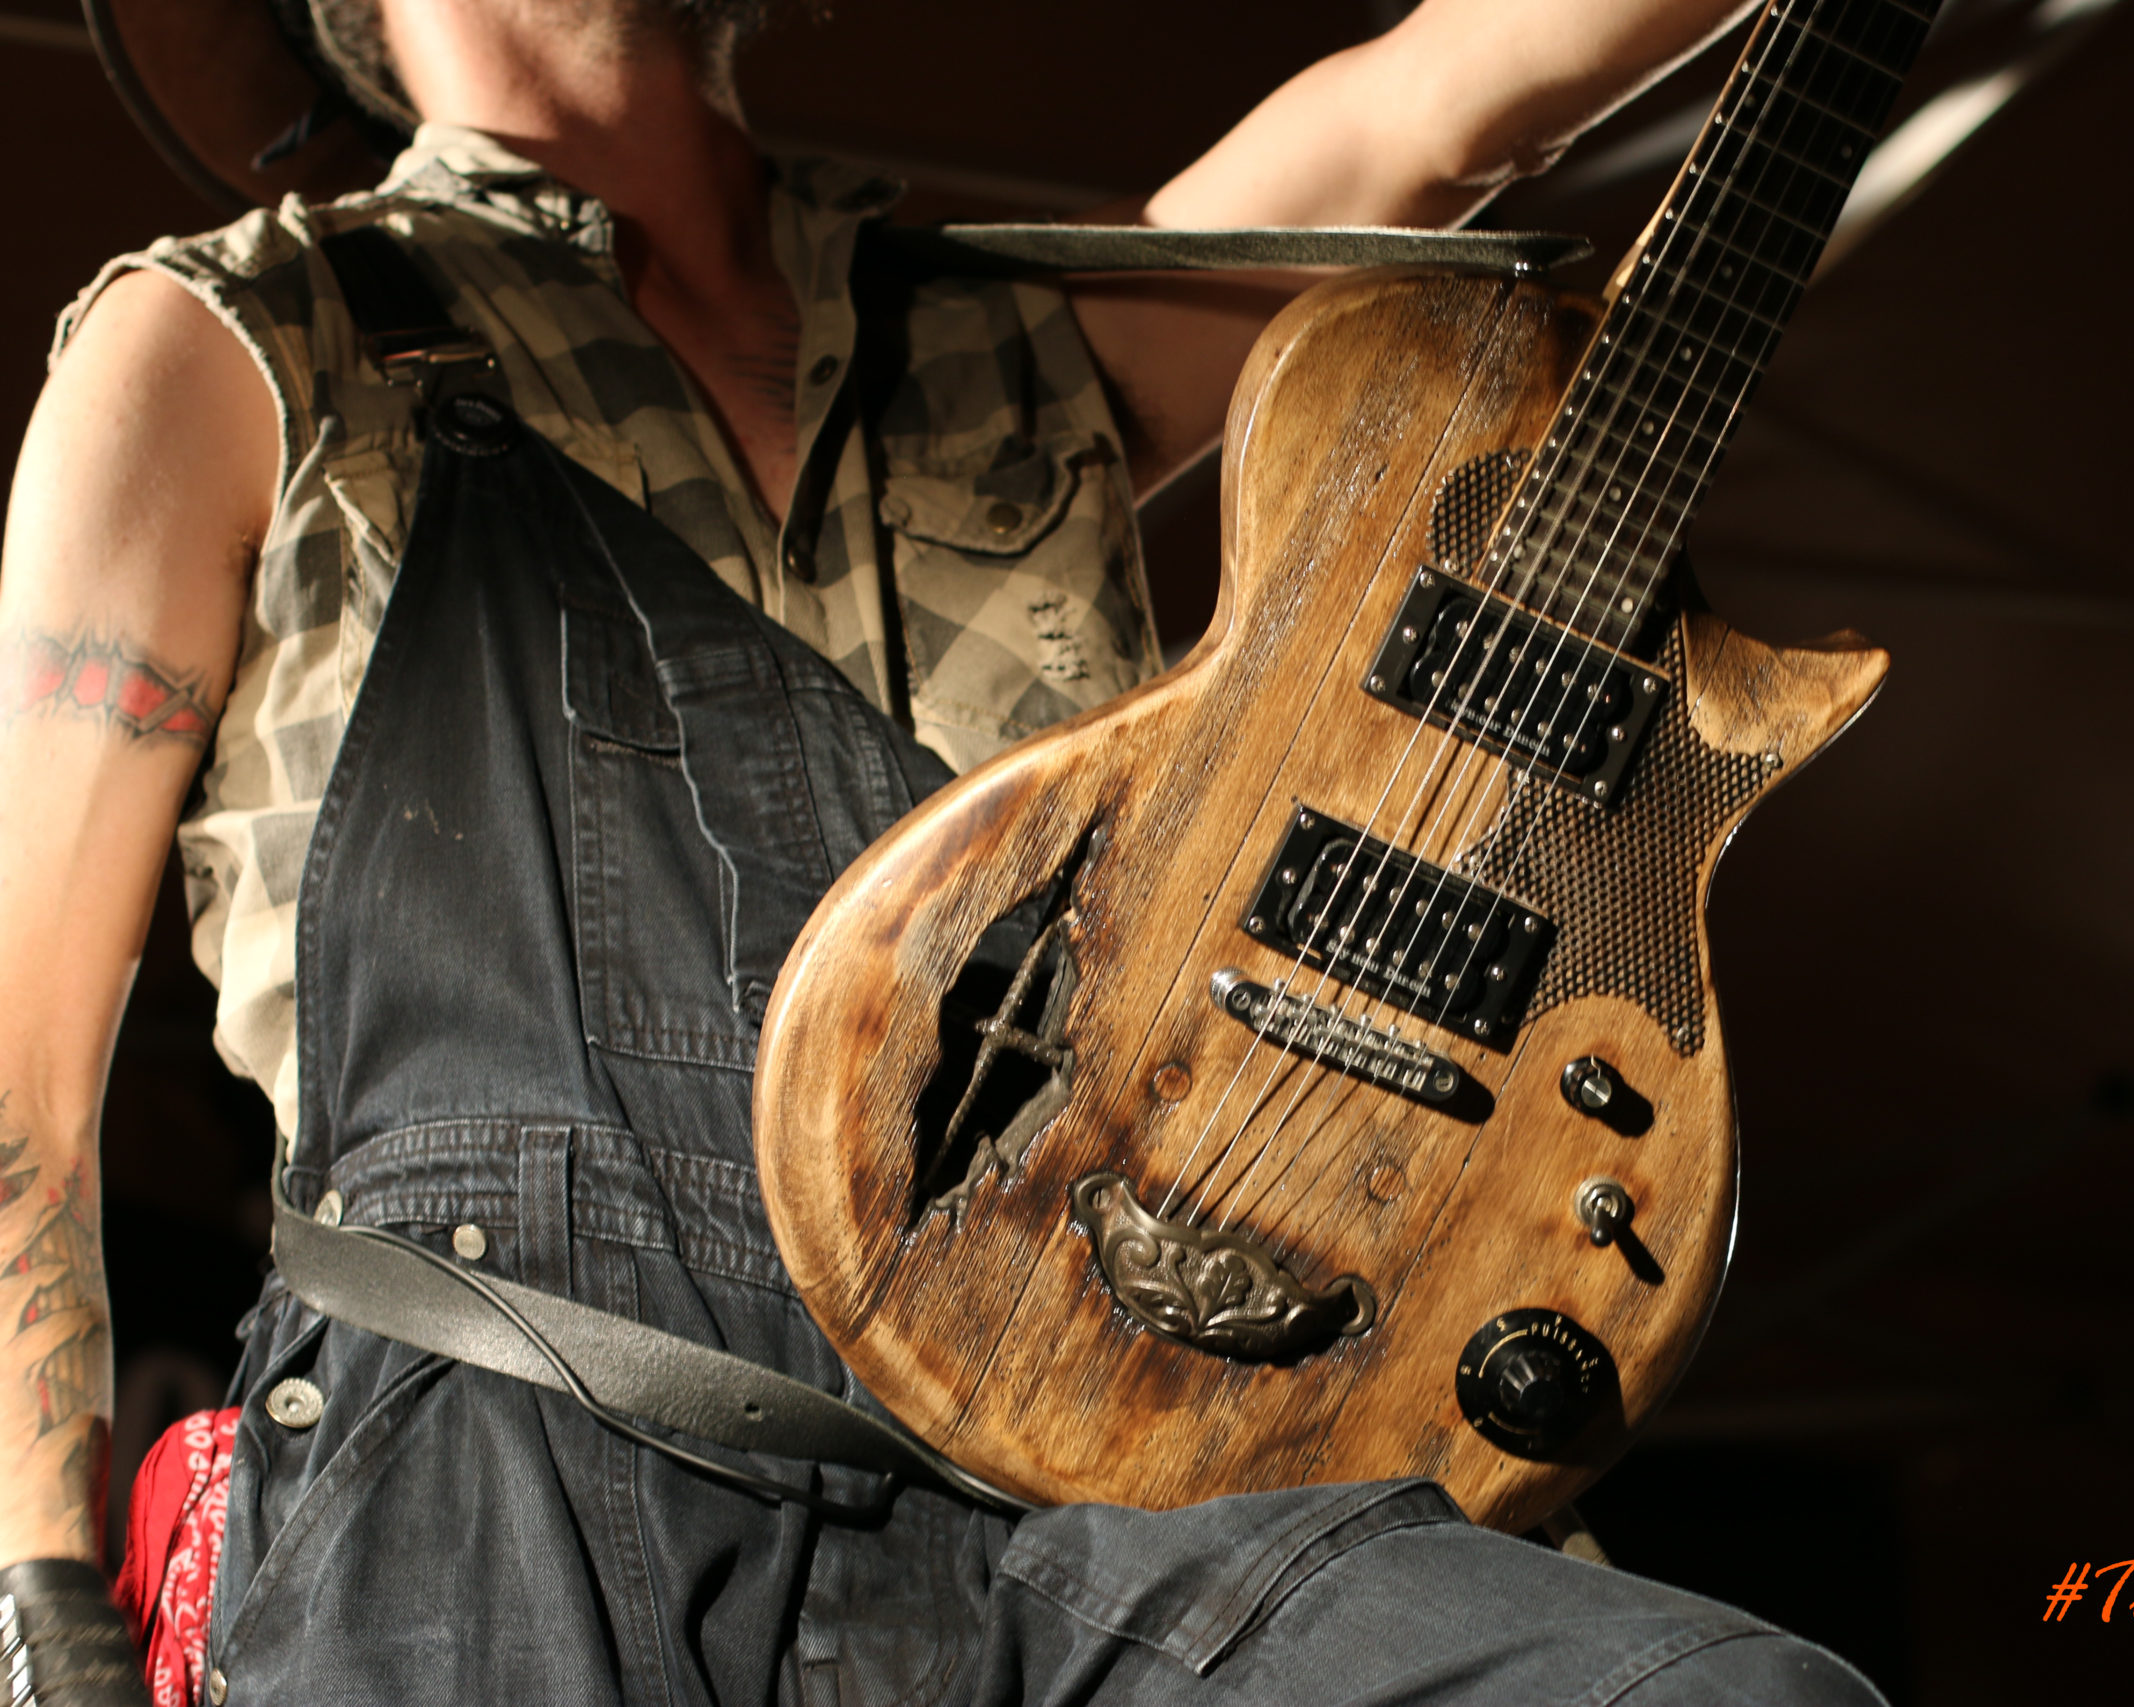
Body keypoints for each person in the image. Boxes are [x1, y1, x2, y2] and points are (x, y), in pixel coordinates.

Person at [0, 0, 1896, 1700]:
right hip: (514, 1452)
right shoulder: (237, 337)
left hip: (1096, 1449)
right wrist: (42, 1607)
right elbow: (21, 1070)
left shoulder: (1012, 345)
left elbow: (1449, 93)